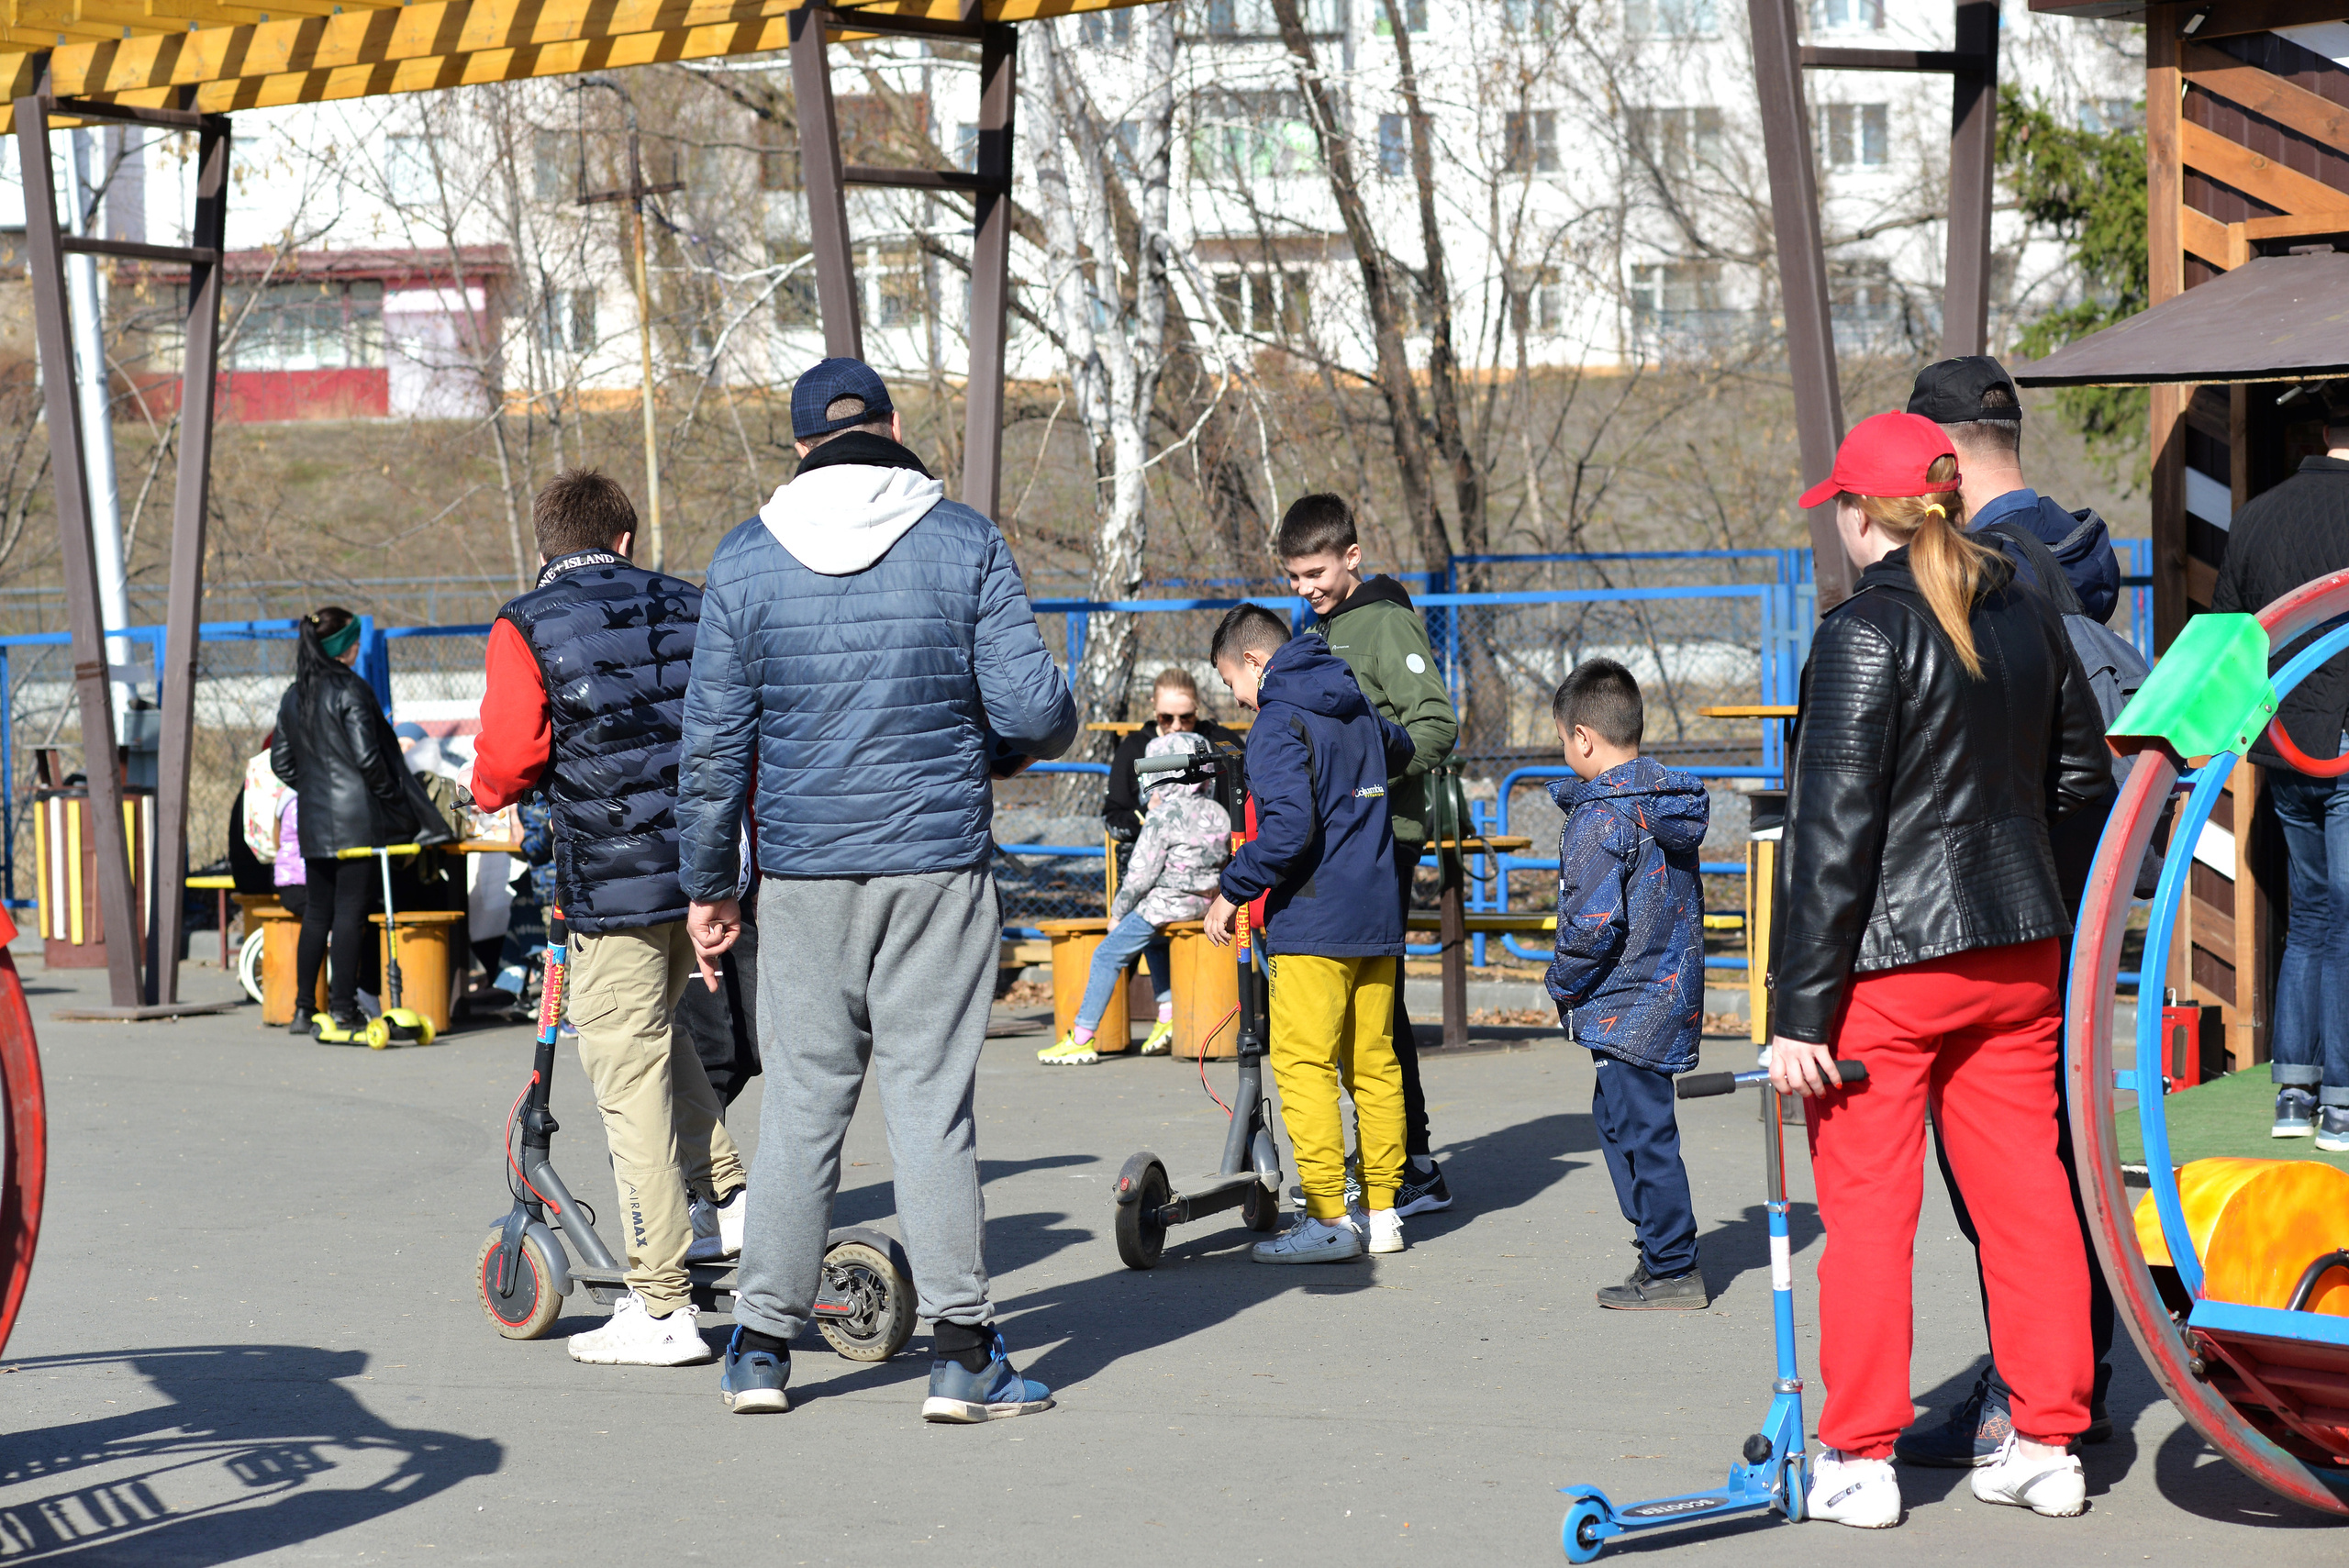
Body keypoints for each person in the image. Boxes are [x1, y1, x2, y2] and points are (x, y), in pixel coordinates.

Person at [676, 357, 1078, 1420]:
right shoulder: (961, 539)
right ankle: (962, 1353)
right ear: (895, 427)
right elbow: (1034, 709)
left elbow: (712, 749)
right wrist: (989, 745)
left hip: (804, 876)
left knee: (802, 1109)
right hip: (936, 864)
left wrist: (710, 885)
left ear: (801, 445)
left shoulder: (747, 559)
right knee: (930, 1110)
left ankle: (761, 1347)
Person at [1769, 411, 2109, 1528]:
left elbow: (1832, 834)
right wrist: (2036, 905)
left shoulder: (1862, 631)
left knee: (1868, 1209)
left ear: (1861, 515)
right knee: (2024, 1192)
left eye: (1843, 511)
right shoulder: (2022, 609)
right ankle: (2049, 1437)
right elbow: (2078, 783)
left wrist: (1798, 1011)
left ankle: (1858, 1456)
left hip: (1891, 965)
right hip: (2016, 952)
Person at [1897, 354, 2125, 1464]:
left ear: (1935, 452)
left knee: (2005, 1171)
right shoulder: (2081, 552)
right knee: (2051, 1154)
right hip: (2076, 901)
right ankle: (2062, 1370)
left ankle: (2035, 1391)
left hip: (2003, 916)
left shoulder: (1989, 575)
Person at [472, 467, 748, 1370]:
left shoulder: (526, 622)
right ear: (625, 538)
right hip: (703, 871)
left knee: (625, 1080)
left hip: (610, 883)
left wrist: (491, 794)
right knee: (656, 1037)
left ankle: (661, 1305)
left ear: (545, 545)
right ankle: (727, 1201)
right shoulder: (693, 602)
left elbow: (508, 760)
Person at [1201, 604, 1416, 1264]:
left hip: (1315, 920)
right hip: (1376, 913)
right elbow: (1402, 745)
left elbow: (1288, 830)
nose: (1235, 699)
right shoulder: (1350, 700)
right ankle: (1383, 1212)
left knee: (1304, 1065)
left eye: (1230, 681)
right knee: (1374, 1066)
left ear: (1256, 661)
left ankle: (1326, 1216)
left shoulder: (1276, 720)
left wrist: (1231, 888)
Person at [1279, 494, 1461, 1218]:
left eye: (1316, 571)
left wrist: (1363, 773)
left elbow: (1437, 724)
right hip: (1341, 834)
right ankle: (1389, 1161)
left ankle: (1411, 1165)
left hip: (1385, 834)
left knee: (1372, 1014)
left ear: (1352, 556)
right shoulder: (1321, 626)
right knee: (1358, 1010)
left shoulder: (1384, 622)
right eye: (1294, 576)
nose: (1305, 588)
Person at [1543, 659, 1711, 1311]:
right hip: (1665, 993)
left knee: (1641, 1132)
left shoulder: (1602, 817)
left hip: (1623, 1003)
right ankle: (1659, 1254)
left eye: (1564, 740)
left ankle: (1672, 1265)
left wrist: (1561, 983)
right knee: (1621, 1124)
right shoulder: (1662, 804)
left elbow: (1591, 924)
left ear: (1583, 738)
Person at [2213, 382, 2349, 1150]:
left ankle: (2294, 1093)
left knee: (2313, 917)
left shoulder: (2258, 515)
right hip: (2346, 741)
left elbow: (2233, 629)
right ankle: (2343, 1103)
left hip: (2283, 745)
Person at [271, 606, 450, 1042]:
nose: (358, 647)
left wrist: (315, 788)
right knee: (351, 914)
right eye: (353, 641)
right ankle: (344, 1007)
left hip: (315, 821)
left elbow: (281, 761)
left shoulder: (295, 694)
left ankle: (303, 1009)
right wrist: (394, 802)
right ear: (343, 647)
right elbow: (370, 760)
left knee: (318, 913)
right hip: (356, 822)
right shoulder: (350, 689)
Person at [1041, 730, 1231, 1065]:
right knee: (1153, 943)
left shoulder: (1163, 816)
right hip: (1204, 904)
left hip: (1164, 904)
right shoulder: (1218, 813)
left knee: (1105, 955)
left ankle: (1082, 1037)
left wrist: (1118, 913)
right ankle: (1169, 1011)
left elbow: (1140, 875)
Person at [1101, 667, 1243, 841]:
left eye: (1186, 717)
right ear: (1154, 707)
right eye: (1166, 718)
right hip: (1152, 858)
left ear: (1197, 706)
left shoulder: (1221, 742)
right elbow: (1113, 821)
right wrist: (1147, 812)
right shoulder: (1133, 749)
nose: (1176, 726)